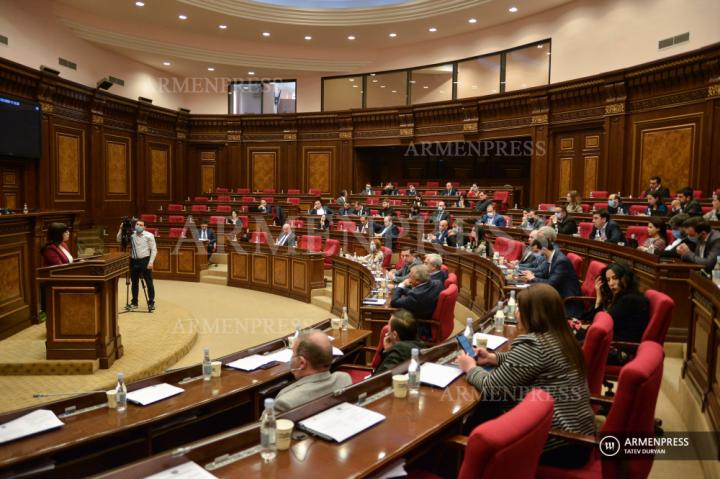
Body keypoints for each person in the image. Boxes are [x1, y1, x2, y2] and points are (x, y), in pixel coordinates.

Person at [455, 284, 596, 468]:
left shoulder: (533, 344)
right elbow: (534, 363)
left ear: (533, 314)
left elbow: (493, 386)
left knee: (488, 401)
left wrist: (470, 367)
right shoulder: (561, 336)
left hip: (559, 443)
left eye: (521, 309)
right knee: (488, 406)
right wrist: (493, 357)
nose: (516, 314)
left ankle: (463, 460)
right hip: (580, 435)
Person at [274, 331, 352, 413]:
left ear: (302, 363)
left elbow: (266, 425)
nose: (291, 357)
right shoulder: (344, 379)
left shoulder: (284, 402)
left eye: (293, 353)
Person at [585, 263, 649, 344]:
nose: (611, 284)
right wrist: (599, 300)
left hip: (621, 347)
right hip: (613, 339)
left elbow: (603, 324)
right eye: (608, 280)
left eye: (615, 278)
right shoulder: (621, 295)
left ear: (625, 278)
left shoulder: (629, 300)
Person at [521, 238, 582, 318]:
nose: (537, 255)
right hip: (555, 294)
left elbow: (551, 283)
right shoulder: (551, 257)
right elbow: (544, 274)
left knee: (532, 302)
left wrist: (533, 278)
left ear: (544, 249)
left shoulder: (561, 261)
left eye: (537, 251)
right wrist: (531, 275)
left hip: (566, 301)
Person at [390, 265, 444, 338]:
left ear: (417, 281)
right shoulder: (438, 283)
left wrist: (401, 286)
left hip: (420, 326)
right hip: (426, 315)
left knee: (392, 317)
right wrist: (402, 289)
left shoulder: (415, 296)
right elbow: (419, 292)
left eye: (410, 276)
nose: (408, 277)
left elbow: (394, 302)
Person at [116, 219, 156, 311]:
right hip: (133, 261)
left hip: (145, 260)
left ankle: (151, 302)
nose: (138, 226)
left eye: (141, 225)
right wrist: (121, 229)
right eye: (137, 224)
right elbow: (119, 240)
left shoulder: (149, 236)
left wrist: (151, 262)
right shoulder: (132, 235)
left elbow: (154, 250)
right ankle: (134, 302)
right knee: (134, 283)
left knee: (149, 282)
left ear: (144, 227)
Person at [374, 310, 426, 375]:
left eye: (389, 326)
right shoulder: (422, 346)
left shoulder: (397, 353)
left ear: (394, 334)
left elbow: (377, 379)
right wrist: (388, 350)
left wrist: (387, 352)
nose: (387, 330)